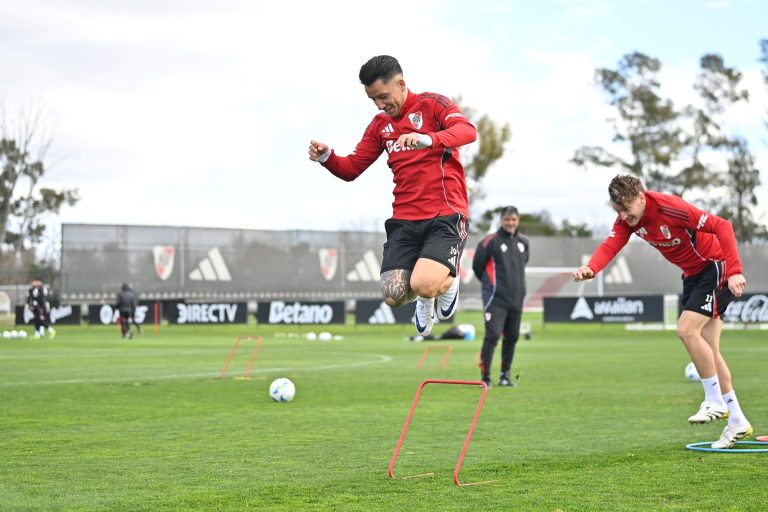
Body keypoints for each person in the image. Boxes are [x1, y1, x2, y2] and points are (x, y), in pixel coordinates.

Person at [572, 174, 751, 449]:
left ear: (642, 198)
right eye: (617, 210)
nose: (623, 216)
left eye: (627, 209)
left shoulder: (670, 208)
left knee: (686, 330)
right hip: (692, 276)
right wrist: (592, 268)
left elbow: (722, 225)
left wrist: (735, 271)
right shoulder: (627, 220)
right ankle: (737, 420)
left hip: (715, 267)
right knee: (710, 351)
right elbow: (611, 244)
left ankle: (714, 401)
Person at [308, 55, 477, 335]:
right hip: (405, 219)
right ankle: (427, 293)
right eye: (373, 99)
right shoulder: (379, 126)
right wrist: (327, 157)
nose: (380, 105)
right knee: (394, 294)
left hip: (444, 214)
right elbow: (352, 169)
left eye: (383, 96)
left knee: (423, 284)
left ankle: (442, 284)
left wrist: (429, 139)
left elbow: (467, 131)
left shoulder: (433, 104)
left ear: (401, 84)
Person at [472, 206, 530, 388]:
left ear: (518, 220)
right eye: (507, 220)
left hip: (516, 299)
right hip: (495, 299)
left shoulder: (524, 242)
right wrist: (491, 287)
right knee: (492, 336)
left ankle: (505, 376)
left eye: (513, 220)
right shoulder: (490, 242)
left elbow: (523, 263)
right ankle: (485, 377)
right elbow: (477, 267)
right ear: (501, 220)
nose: (510, 223)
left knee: (512, 337)